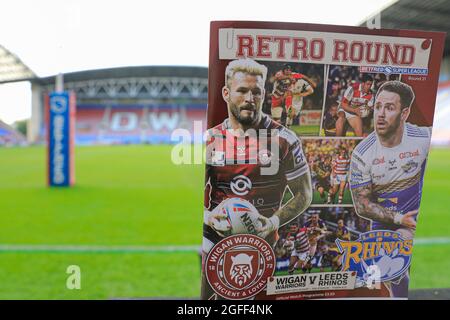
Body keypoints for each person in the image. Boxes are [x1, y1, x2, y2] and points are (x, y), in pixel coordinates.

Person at [201, 58, 313, 299]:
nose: (249, 99)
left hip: (258, 243)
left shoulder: (285, 139)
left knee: (240, 302)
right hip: (213, 238)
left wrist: (272, 223)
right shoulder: (210, 139)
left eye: (256, 92)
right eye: (242, 91)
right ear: (226, 93)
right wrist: (208, 216)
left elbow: (304, 194)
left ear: (264, 94)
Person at [349, 80, 431, 297]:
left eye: (389, 108)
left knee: (400, 251)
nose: (381, 114)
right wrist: (398, 218)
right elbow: (362, 205)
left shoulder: (424, 138)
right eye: (377, 107)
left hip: (415, 219)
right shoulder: (362, 153)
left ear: (405, 113)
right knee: (391, 277)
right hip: (383, 225)